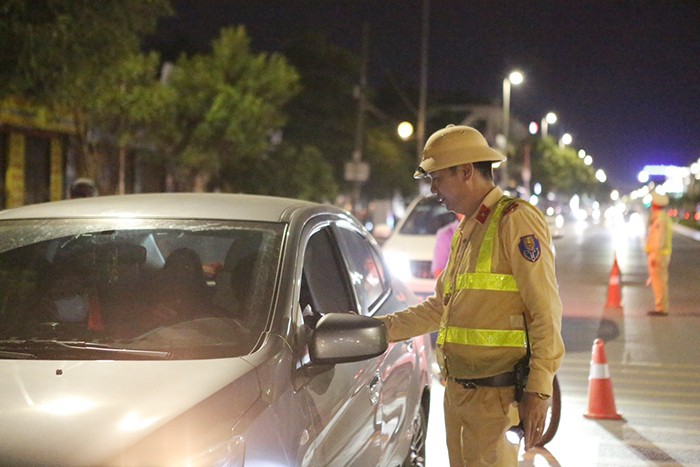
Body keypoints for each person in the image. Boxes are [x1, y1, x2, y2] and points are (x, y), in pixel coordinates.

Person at [376, 124, 565, 466]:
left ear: (465, 172)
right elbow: (440, 308)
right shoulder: (468, 227)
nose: (433, 189)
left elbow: (545, 310)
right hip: (460, 393)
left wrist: (539, 389)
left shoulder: (515, 221)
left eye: (437, 178)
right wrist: (378, 330)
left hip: (495, 399)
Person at [645, 190, 672, 316]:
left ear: (655, 204)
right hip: (661, 254)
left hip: (659, 255)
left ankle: (661, 308)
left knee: (659, 282)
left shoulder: (659, 219)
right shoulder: (662, 217)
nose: (651, 204)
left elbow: (658, 240)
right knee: (659, 281)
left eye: (652, 202)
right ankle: (661, 307)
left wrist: (654, 256)